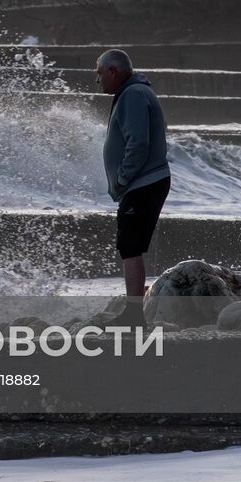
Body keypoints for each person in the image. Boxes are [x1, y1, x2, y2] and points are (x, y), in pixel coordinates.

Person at [95, 49, 170, 327]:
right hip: (145, 181)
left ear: (113, 71)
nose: (98, 80)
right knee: (131, 246)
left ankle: (134, 314)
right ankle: (134, 311)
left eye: (100, 73)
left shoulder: (134, 95)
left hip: (144, 182)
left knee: (129, 245)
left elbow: (138, 143)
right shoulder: (134, 92)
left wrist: (123, 179)